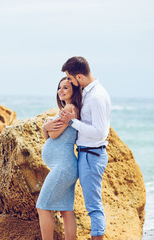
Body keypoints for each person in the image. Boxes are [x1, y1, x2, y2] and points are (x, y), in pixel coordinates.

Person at [59, 56, 111, 240]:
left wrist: (72, 122)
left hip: (91, 155)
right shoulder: (88, 92)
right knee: (93, 204)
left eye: (71, 79)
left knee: (93, 206)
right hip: (87, 155)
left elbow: (99, 133)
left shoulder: (96, 97)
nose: (70, 83)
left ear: (79, 76)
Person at [36, 77, 82, 240]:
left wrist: (48, 123)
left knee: (42, 207)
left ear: (74, 91)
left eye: (65, 88)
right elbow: (46, 134)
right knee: (66, 210)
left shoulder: (70, 108)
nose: (60, 91)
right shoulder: (68, 108)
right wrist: (46, 126)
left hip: (63, 167)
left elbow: (53, 134)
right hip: (66, 166)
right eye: (59, 88)